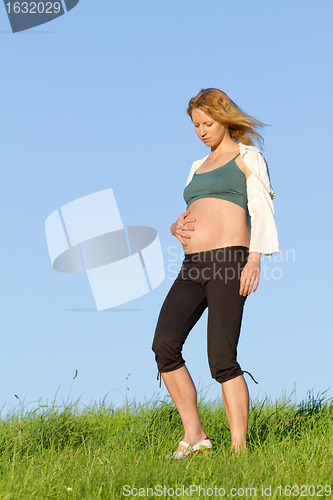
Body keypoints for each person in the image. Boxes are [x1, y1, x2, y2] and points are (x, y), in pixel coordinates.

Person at [152, 88, 279, 459]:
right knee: (164, 344)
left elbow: (261, 209)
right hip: (191, 266)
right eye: (195, 125)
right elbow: (194, 212)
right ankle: (195, 436)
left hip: (229, 261)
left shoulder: (247, 157)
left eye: (208, 123)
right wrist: (176, 228)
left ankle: (239, 453)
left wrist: (255, 259)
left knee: (221, 359)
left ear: (224, 119)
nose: (202, 131)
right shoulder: (196, 166)